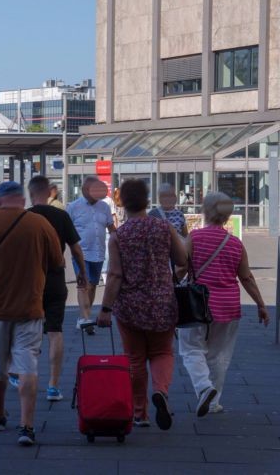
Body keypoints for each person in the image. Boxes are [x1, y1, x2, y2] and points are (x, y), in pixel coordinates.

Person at [0, 181, 63, 446]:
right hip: (30, 305)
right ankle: (27, 426)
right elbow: (57, 262)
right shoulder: (40, 224)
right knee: (28, 364)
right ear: (22, 199)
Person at [97, 179, 187, 430]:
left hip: (130, 306)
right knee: (162, 352)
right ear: (147, 201)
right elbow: (182, 259)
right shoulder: (164, 227)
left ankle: (140, 413)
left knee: (135, 359)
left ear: (123, 202)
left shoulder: (119, 235)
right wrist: (170, 280)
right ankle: (160, 391)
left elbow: (114, 275)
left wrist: (105, 309)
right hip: (163, 302)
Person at [178, 192, 270, 417]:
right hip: (228, 306)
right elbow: (246, 277)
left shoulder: (194, 238)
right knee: (219, 355)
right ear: (228, 216)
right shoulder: (235, 243)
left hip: (196, 304)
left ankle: (203, 388)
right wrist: (260, 304)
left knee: (191, 349)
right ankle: (213, 401)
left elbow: (181, 268)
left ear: (205, 212)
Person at [25, 175, 87, 402]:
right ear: (50, 193)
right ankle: (53, 385)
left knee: (27, 331)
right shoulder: (61, 215)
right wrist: (82, 275)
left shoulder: (25, 217)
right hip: (55, 279)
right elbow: (76, 250)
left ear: (31, 194)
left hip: (29, 281)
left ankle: (25, 377)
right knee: (55, 331)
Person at [66, 176, 116, 331]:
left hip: (99, 252)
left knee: (93, 286)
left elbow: (111, 228)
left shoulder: (105, 207)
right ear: (84, 190)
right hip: (80, 253)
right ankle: (85, 318)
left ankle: (85, 316)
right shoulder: (73, 207)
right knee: (83, 285)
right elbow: (65, 231)